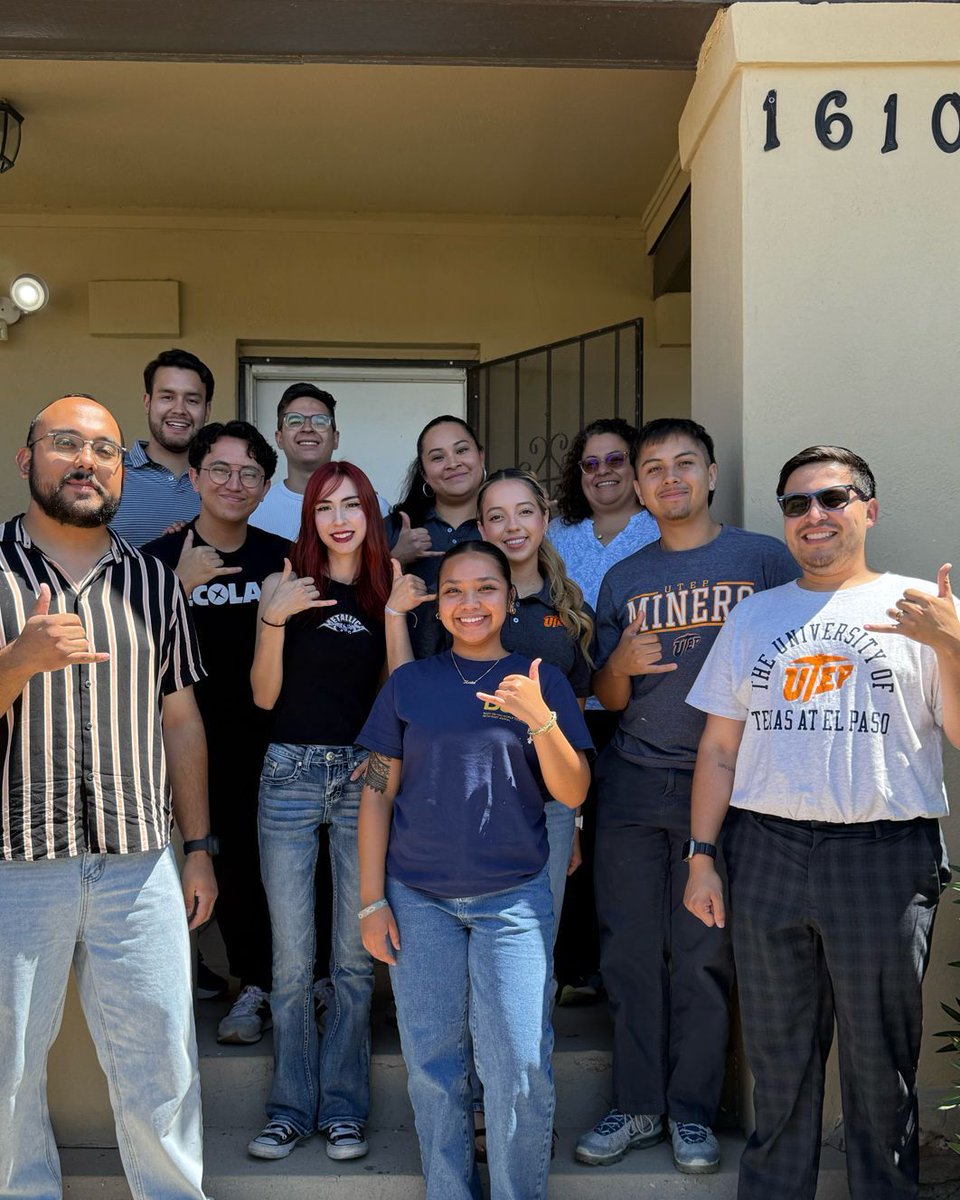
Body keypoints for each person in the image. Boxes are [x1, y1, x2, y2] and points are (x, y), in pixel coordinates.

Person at [684, 445, 957, 1200]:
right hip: (767, 851)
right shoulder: (754, 617)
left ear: (869, 509)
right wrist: (701, 856)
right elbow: (718, 749)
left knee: (880, 1067)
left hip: (884, 857)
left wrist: (951, 641)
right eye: (797, 503)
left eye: (834, 498)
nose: (815, 515)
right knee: (778, 1063)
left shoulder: (922, 606)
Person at [0, 394, 217, 1200]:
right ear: (28, 459)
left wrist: (199, 849)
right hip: (14, 860)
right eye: (66, 443)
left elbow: (180, 720)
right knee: (7, 1071)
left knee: (163, 1065)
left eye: (104, 451)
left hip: (140, 861)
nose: (86, 462)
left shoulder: (153, 583)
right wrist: (17, 662)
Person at [578, 417, 798, 1175]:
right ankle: (639, 1104)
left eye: (684, 464)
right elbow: (605, 697)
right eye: (653, 469)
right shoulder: (624, 577)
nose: (669, 478)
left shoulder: (763, 559)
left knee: (706, 955)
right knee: (631, 953)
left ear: (710, 475)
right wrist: (620, 663)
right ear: (639, 489)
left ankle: (694, 1113)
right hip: (635, 780)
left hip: (733, 786)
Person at [357, 541, 593, 1200]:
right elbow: (376, 793)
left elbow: (573, 791)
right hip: (417, 898)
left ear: (510, 599)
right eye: (454, 590)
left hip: (513, 900)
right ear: (438, 604)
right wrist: (371, 901)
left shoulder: (540, 679)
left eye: (486, 588)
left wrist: (540, 720)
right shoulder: (410, 684)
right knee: (433, 1065)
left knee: (517, 1064)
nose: (470, 603)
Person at [246, 460, 392, 1163]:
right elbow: (263, 696)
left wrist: (382, 766)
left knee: (354, 959)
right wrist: (274, 618)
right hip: (290, 775)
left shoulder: (386, 591)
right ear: (310, 517)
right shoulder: (286, 583)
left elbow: (396, 695)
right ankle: (288, 1109)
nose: (339, 519)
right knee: (292, 960)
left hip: (361, 777)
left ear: (369, 513)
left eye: (351, 505)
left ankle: (342, 1110)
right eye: (325, 506)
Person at [144, 420, 288, 1046]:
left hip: (274, 740)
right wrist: (179, 586)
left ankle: (288, 984)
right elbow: (127, 651)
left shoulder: (282, 556)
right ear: (195, 477)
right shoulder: (155, 561)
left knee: (275, 866)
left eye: (249, 472)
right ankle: (248, 984)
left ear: (265, 487)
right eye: (221, 470)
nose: (235, 483)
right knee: (213, 862)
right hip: (186, 743)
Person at [546, 416, 659, 1005]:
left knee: (613, 846)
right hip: (566, 711)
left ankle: (612, 972)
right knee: (566, 843)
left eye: (616, 460)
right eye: (590, 464)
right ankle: (571, 967)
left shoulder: (659, 530)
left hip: (633, 712)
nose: (602, 472)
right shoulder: (558, 535)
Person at [383, 414, 485, 657]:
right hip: (411, 667)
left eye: (461, 450)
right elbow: (359, 602)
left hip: (490, 670)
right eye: (438, 457)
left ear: (481, 456)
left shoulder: (502, 525)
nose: (453, 463)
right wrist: (396, 557)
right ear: (424, 472)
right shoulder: (397, 527)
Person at [247, 381, 396, 539]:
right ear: (279, 438)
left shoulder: (373, 506)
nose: (307, 428)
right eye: (294, 421)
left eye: (320, 421)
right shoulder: (253, 508)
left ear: (335, 438)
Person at [111, 347, 215, 546]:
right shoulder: (110, 473)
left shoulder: (222, 482)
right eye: (167, 397)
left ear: (207, 410)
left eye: (192, 400)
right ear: (147, 403)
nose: (179, 410)